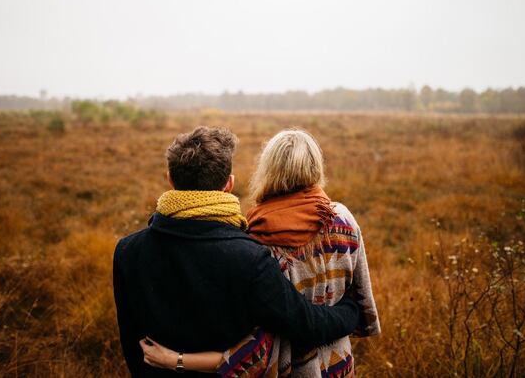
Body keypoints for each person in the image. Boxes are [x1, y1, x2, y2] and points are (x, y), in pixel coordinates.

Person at [113, 127, 364, 377]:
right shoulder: (250, 257)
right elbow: (304, 323)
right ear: (229, 184)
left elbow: (132, 344)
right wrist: (351, 312)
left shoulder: (126, 251)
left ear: (169, 178)